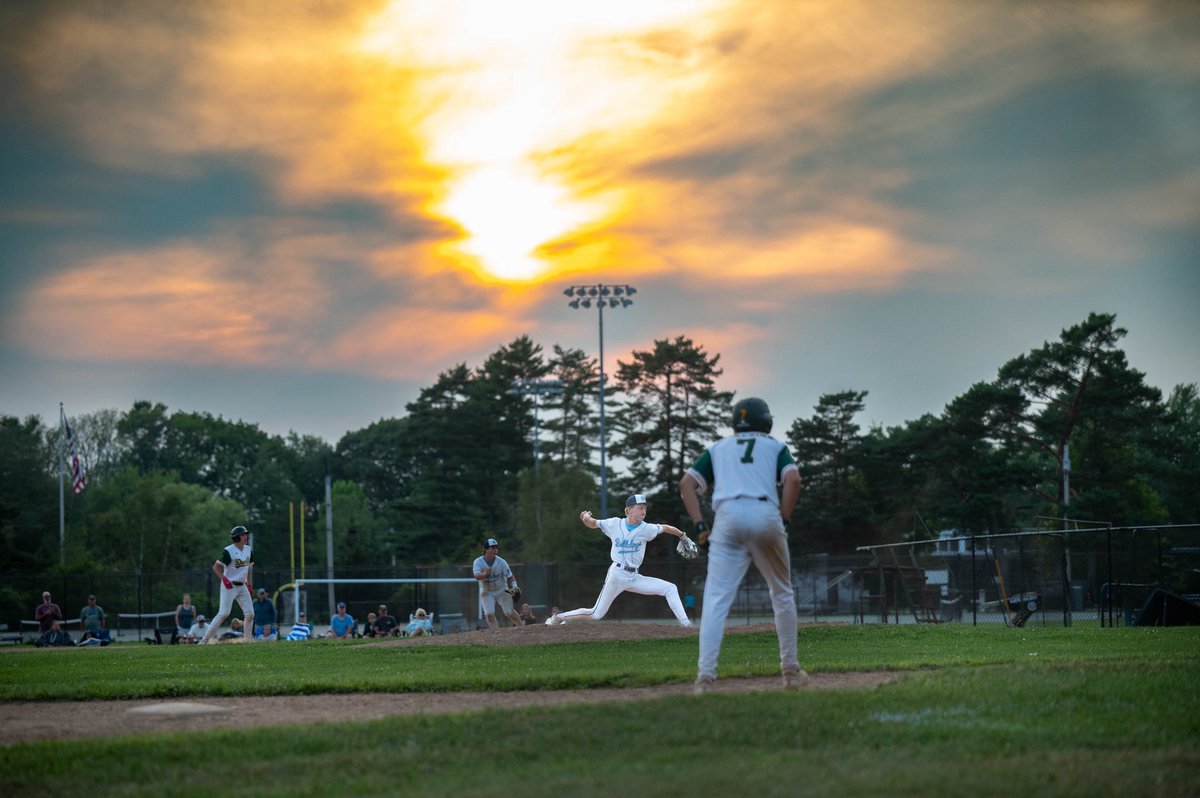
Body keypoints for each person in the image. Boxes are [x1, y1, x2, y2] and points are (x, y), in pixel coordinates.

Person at [680, 397, 808, 694]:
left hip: (728, 517)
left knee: (716, 600)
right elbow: (793, 479)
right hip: (765, 513)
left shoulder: (718, 448)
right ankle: (790, 672)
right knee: (782, 594)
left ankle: (705, 679)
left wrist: (699, 526)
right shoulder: (775, 446)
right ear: (767, 421)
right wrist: (784, 518)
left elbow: (686, 484)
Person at [545, 495, 694, 627]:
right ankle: (558, 617)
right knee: (596, 614)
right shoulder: (614, 524)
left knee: (670, 588)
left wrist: (682, 536)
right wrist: (586, 517)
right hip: (617, 575)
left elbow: (666, 528)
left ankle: (687, 626)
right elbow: (593, 523)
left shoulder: (647, 529)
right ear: (628, 511)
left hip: (634, 577)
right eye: (640, 508)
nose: (643, 511)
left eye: (645, 508)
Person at [200, 525, 255, 644]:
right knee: (224, 613)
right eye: (243, 534)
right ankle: (204, 640)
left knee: (250, 614)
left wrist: (249, 584)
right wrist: (224, 579)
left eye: (246, 534)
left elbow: (248, 568)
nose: (246, 536)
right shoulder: (228, 551)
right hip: (229, 586)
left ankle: (247, 640)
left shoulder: (248, 550)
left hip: (242, 586)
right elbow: (216, 567)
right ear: (237, 537)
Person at [472, 538, 523, 629]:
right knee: (489, 614)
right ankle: (495, 632)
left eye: (496, 547)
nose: (495, 549)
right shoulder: (478, 562)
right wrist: (485, 574)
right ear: (485, 549)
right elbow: (476, 576)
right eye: (492, 547)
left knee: (509, 612)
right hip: (487, 591)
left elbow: (510, 577)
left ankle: (522, 627)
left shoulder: (501, 562)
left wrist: (515, 586)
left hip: (502, 589)